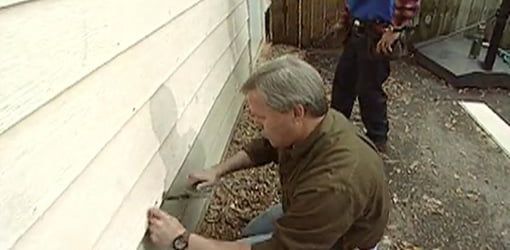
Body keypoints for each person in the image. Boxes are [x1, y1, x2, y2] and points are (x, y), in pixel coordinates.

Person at [147, 56, 391, 250]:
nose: (256, 124)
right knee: (251, 234)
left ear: (296, 112)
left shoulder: (333, 186)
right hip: (313, 209)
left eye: (262, 117)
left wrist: (181, 240)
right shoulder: (318, 121)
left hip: (345, 240)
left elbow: (278, 248)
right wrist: (216, 171)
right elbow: (265, 146)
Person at [331, 0, 421, 152]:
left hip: (377, 33)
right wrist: (345, 19)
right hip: (357, 27)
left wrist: (396, 29)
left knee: (369, 89)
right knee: (343, 83)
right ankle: (334, 129)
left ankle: (377, 138)